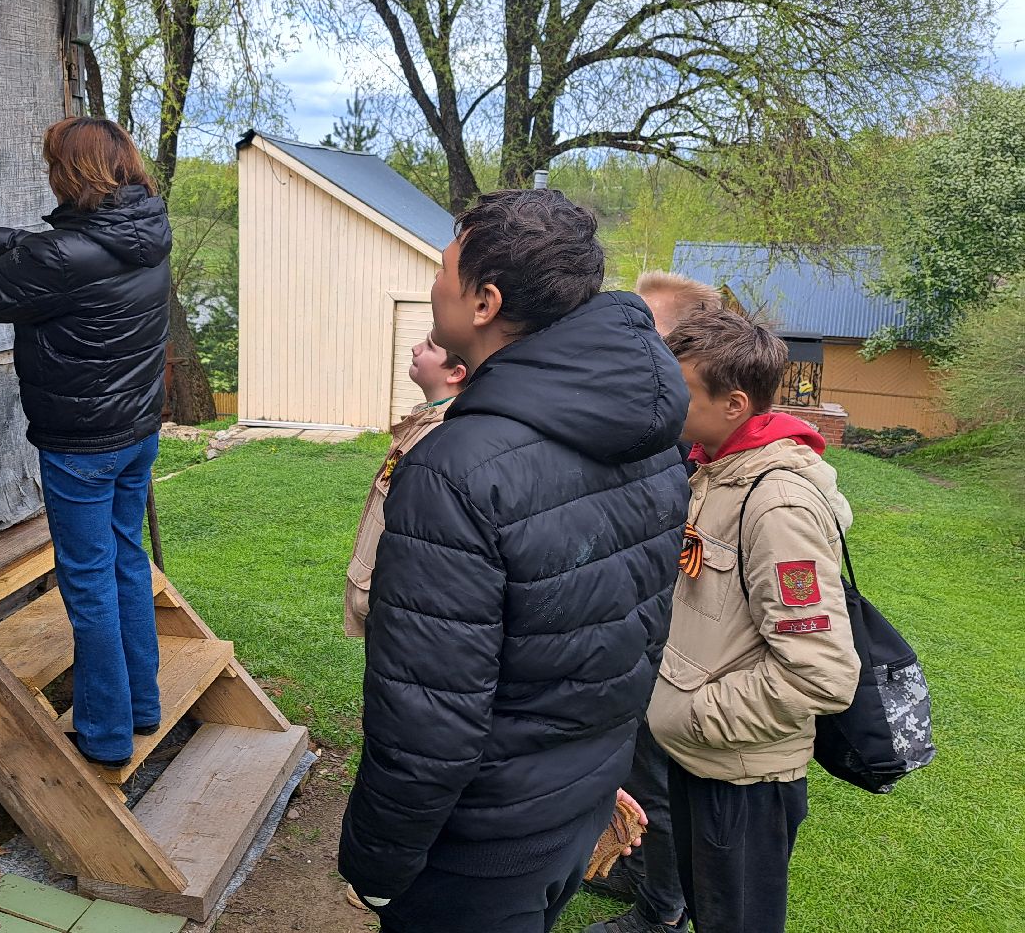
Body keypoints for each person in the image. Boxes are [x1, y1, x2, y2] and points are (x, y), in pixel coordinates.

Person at [337, 188, 690, 933]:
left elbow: (429, 719)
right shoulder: (648, 436)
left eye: (443, 270)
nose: (434, 284)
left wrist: (376, 866)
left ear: (485, 302)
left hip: (480, 849)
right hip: (573, 806)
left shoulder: (455, 470)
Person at [0, 117, 171, 770]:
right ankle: (141, 705)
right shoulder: (145, 229)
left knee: (88, 581)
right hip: (136, 433)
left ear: (71, 172)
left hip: (82, 446)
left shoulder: (64, 255)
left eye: (54, 162)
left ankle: (105, 735)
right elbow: (59, 253)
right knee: (126, 560)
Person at [648, 308, 859, 933]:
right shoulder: (716, 472)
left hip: (740, 776)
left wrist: (690, 714)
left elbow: (821, 674)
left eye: (680, 389)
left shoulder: (777, 504)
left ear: (734, 404)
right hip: (701, 760)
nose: (663, 399)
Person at [583, 272, 722, 933]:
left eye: (650, 331)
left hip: (672, 639)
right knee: (633, 760)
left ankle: (662, 909)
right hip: (638, 625)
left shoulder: (692, 439)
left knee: (655, 771)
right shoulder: (657, 421)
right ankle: (642, 870)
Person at [343, 335, 468, 639]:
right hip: (380, 599)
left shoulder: (439, 435)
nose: (415, 348)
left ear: (455, 373)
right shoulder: (424, 421)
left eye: (430, 347)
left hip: (396, 606)